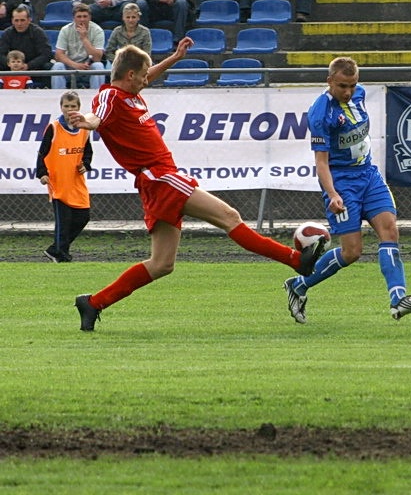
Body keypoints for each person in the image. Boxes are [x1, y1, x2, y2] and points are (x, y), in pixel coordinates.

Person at [67, 39, 317, 332]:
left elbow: (144, 79)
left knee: (162, 264)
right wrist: (85, 121)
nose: (148, 79)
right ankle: (296, 261)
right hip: (161, 177)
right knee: (230, 217)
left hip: (156, 181)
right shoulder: (110, 97)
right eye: (144, 74)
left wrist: (174, 58)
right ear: (131, 75)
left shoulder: (132, 94)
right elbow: (97, 117)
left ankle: (94, 303)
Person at [282, 56, 411, 324]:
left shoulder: (359, 95)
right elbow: (321, 162)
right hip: (342, 182)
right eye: (342, 86)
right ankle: (299, 285)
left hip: (368, 175)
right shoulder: (320, 113)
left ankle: (399, 300)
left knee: (390, 230)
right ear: (329, 81)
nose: (348, 91)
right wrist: (333, 194)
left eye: (352, 85)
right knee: (352, 252)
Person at [36, 90, 92, 263]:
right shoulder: (54, 127)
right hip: (58, 182)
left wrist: (86, 164)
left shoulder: (84, 129)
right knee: (63, 221)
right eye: (66, 106)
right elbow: (42, 152)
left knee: (84, 216)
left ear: (79, 108)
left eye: (73, 106)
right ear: (61, 107)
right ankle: (61, 254)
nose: (69, 110)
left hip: (76, 181)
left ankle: (56, 249)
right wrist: (42, 173)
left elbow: (87, 151)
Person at [50, 2, 106, 90]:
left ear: (90, 17)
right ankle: (58, 97)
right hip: (70, 67)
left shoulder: (98, 31)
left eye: (85, 16)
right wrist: (75, 65)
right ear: (74, 18)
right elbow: (59, 55)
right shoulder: (65, 30)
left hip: (88, 67)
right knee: (58, 66)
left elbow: (97, 58)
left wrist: (84, 38)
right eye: (79, 17)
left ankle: (97, 98)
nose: (82, 20)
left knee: (99, 66)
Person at [0, 4, 53, 85]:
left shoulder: (38, 32)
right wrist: (11, 65)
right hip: (11, 67)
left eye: (22, 20)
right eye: (16, 20)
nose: (19, 23)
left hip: (34, 68)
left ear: (29, 20)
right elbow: (1, 53)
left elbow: (46, 54)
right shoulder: (7, 33)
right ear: (12, 21)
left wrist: (28, 66)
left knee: (48, 66)